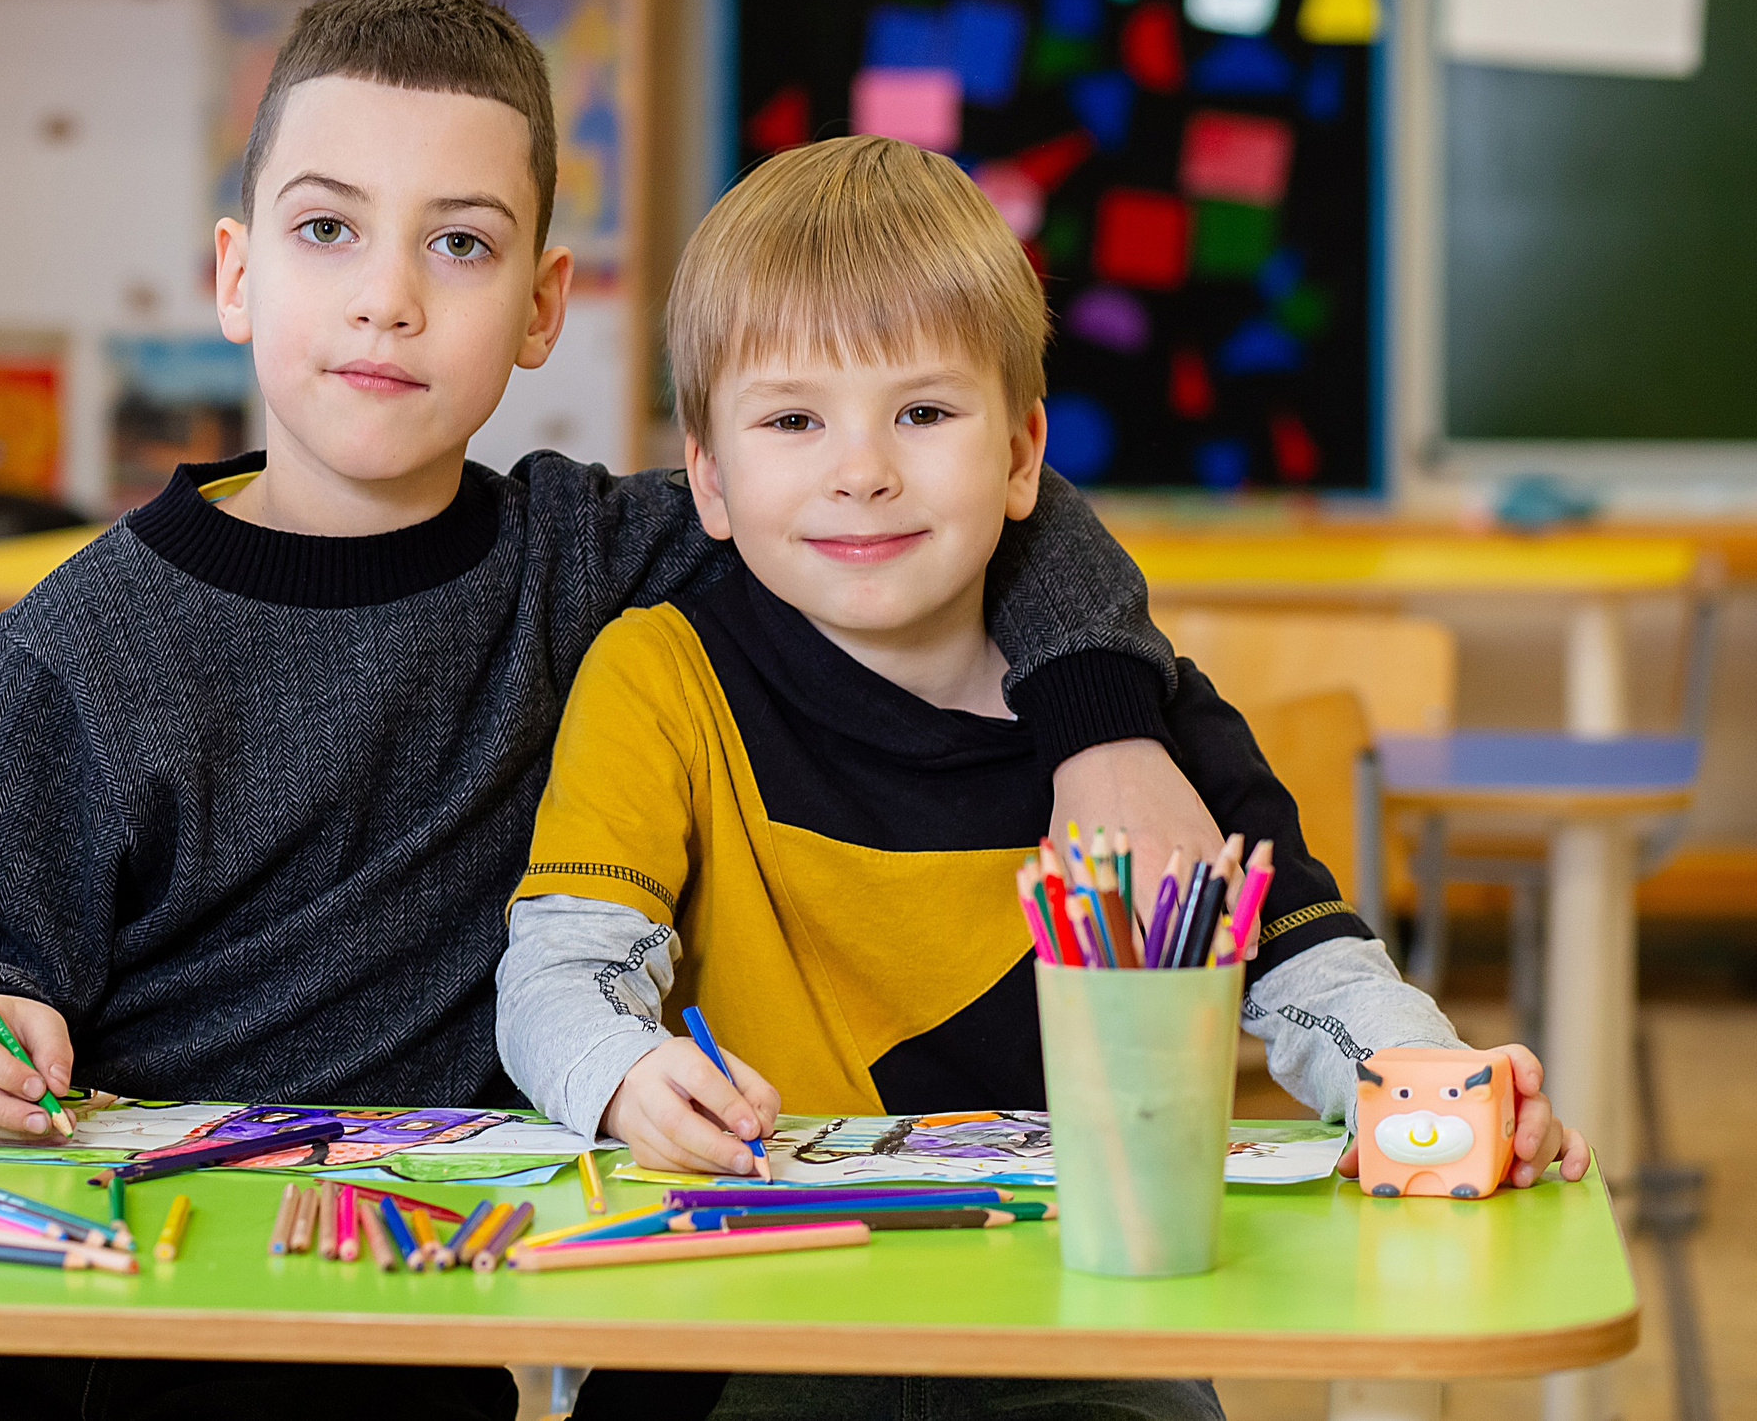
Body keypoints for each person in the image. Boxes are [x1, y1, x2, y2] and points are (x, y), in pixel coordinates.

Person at [0, 0, 1216, 1421]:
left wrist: (1107, 732)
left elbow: (979, 496)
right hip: (64, 1286)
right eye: (327, 229)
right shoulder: (71, 650)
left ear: (544, 306)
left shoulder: (596, 557)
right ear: (237, 273)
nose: (389, 300)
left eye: (462, 245)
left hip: (370, 1322)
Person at [496, 135, 1591, 1421]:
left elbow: (1316, 978)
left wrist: (1439, 1086)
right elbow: (561, 969)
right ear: (709, 479)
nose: (861, 468)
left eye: (923, 412)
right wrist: (623, 1075)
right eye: (793, 419)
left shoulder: (1138, 722)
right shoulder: (656, 676)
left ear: (1023, 456)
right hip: (733, 1311)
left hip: (1077, 1318)